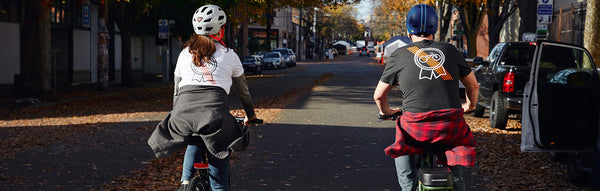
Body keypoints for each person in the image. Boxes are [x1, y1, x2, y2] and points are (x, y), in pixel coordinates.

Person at [147, 4, 257, 191]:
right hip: (214, 118)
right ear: (221, 29)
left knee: (194, 137)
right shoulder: (230, 55)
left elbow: (177, 92)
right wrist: (251, 115)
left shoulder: (184, 54)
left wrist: (178, 115)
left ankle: (185, 182)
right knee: (219, 180)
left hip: (181, 115)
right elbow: (243, 92)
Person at [372, 4, 479, 191]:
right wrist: (469, 105)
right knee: (456, 175)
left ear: (408, 28)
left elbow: (379, 96)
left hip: (416, 128)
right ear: (435, 27)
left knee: (403, 151)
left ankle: (408, 187)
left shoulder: (399, 55)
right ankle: (457, 183)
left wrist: (387, 112)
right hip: (449, 126)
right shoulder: (450, 50)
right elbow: (473, 85)